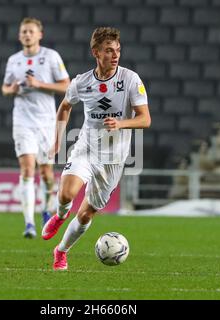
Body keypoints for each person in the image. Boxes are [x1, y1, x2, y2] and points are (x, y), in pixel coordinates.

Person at [42, 27, 151, 270]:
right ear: (96, 52)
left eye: (118, 51)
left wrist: (122, 123)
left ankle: (61, 251)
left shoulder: (130, 79)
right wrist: (58, 139)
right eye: (109, 51)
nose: (115, 56)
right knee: (66, 195)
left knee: (85, 215)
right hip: (87, 149)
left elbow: (145, 119)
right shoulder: (82, 82)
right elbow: (65, 106)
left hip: (113, 160)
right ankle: (59, 216)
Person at [1, 17, 70, 238]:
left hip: (46, 122)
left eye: (31, 31)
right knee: (27, 169)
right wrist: (11, 89)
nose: (27, 35)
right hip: (22, 121)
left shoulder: (50, 57)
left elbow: (66, 85)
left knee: (46, 172)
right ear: (19, 35)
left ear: (40, 34)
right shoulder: (14, 60)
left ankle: (47, 206)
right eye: (23, 31)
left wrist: (39, 84)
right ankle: (29, 223)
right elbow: (4, 88)